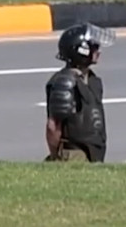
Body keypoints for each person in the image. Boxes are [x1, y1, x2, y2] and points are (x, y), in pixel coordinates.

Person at [45, 23, 114, 162]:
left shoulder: (93, 81)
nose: (98, 51)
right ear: (80, 51)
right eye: (93, 46)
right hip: (74, 155)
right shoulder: (64, 83)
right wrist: (55, 156)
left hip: (94, 154)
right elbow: (53, 126)